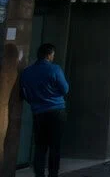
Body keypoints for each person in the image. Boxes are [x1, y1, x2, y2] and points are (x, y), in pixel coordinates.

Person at [20, 43, 68, 177]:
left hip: (38, 112)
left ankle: (39, 174)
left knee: (40, 146)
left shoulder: (27, 72)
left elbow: (24, 93)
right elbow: (65, 89)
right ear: (49, 55)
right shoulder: (55, 69)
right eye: (53, 55)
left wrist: (35, 101)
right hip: (56, 111)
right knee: (55, 146)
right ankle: (53, 174)